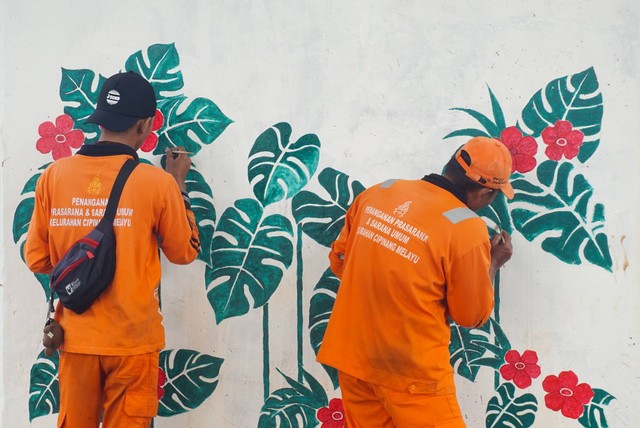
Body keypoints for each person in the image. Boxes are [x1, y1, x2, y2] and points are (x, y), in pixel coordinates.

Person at [25, 71, 200, 428]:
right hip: (132, 343)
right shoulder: (158, 183)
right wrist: (179, 184)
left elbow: (38, 259)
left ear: (99, 119)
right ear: (145, 125)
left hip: (76, 338)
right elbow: (184, 252)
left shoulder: (54, 176)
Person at [317, 136, 514, 427]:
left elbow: (340, 262)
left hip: (354, 362)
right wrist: (494, 262)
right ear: (486, 192)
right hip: (413, 376)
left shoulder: (381, 191)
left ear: (451, 165)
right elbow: (471, 315)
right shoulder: (466, 228)